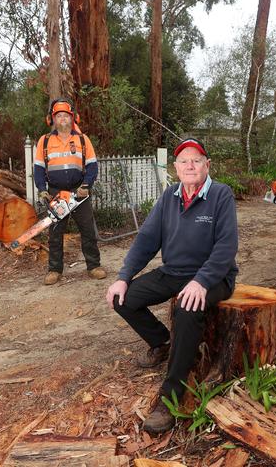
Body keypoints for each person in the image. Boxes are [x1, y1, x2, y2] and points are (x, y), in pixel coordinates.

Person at [105, 138, 238, 434]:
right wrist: (123, 276)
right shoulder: (169, 197)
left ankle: (170, 396)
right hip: (175, 271)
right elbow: (146, 241)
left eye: (196, 160)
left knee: (187, 310)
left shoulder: (220, 195)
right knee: (122, 299)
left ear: (207, 165)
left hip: (214, 277)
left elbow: (226, 247)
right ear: (175, 168)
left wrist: (202, 281)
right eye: (184, 161)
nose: (190, 165)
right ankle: (163, 343)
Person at [34, 98, 107, 285]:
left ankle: (93, 266)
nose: (62, 119)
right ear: (52, 119)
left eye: (65, 115)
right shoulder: (45, 141)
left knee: (88, 229)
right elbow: (39, 169)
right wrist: (42, 190)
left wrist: (86, 186)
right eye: (58, 116)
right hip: (56, 193)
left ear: (72, 118)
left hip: (79, 193)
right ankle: (54, 270)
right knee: (55, 233)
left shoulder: (82, 139)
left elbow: (92, 166)